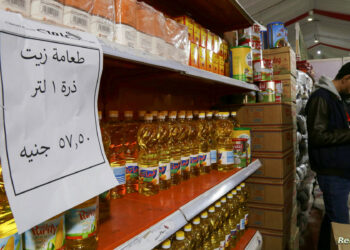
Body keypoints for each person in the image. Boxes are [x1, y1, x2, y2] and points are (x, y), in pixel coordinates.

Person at [306, 62, 350, 250]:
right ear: (347, 78)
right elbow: (317, 136)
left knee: (333, 215)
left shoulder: (335, 98)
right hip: (332, 172)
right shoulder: (321, 98)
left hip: (339, 169)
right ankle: (344, 248)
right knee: (341, 222)